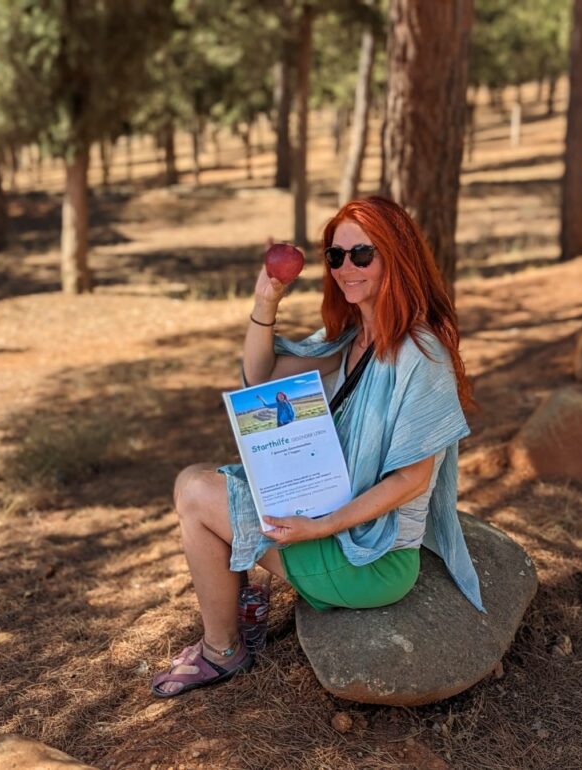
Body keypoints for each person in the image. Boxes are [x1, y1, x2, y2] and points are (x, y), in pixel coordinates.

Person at [150, 196, 483, 698]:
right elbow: (259, 379)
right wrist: (267, 302)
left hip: (372, 557)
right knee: (206, 480)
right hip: (332, 523)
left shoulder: (420, 353)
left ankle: (224, 650)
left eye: (362, 255)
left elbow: (413, 478)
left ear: (396, 255)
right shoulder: (352, 339)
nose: (346, 267)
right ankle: (248, 602)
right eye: (335, 256)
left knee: (196, 493)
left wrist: (318, 527)